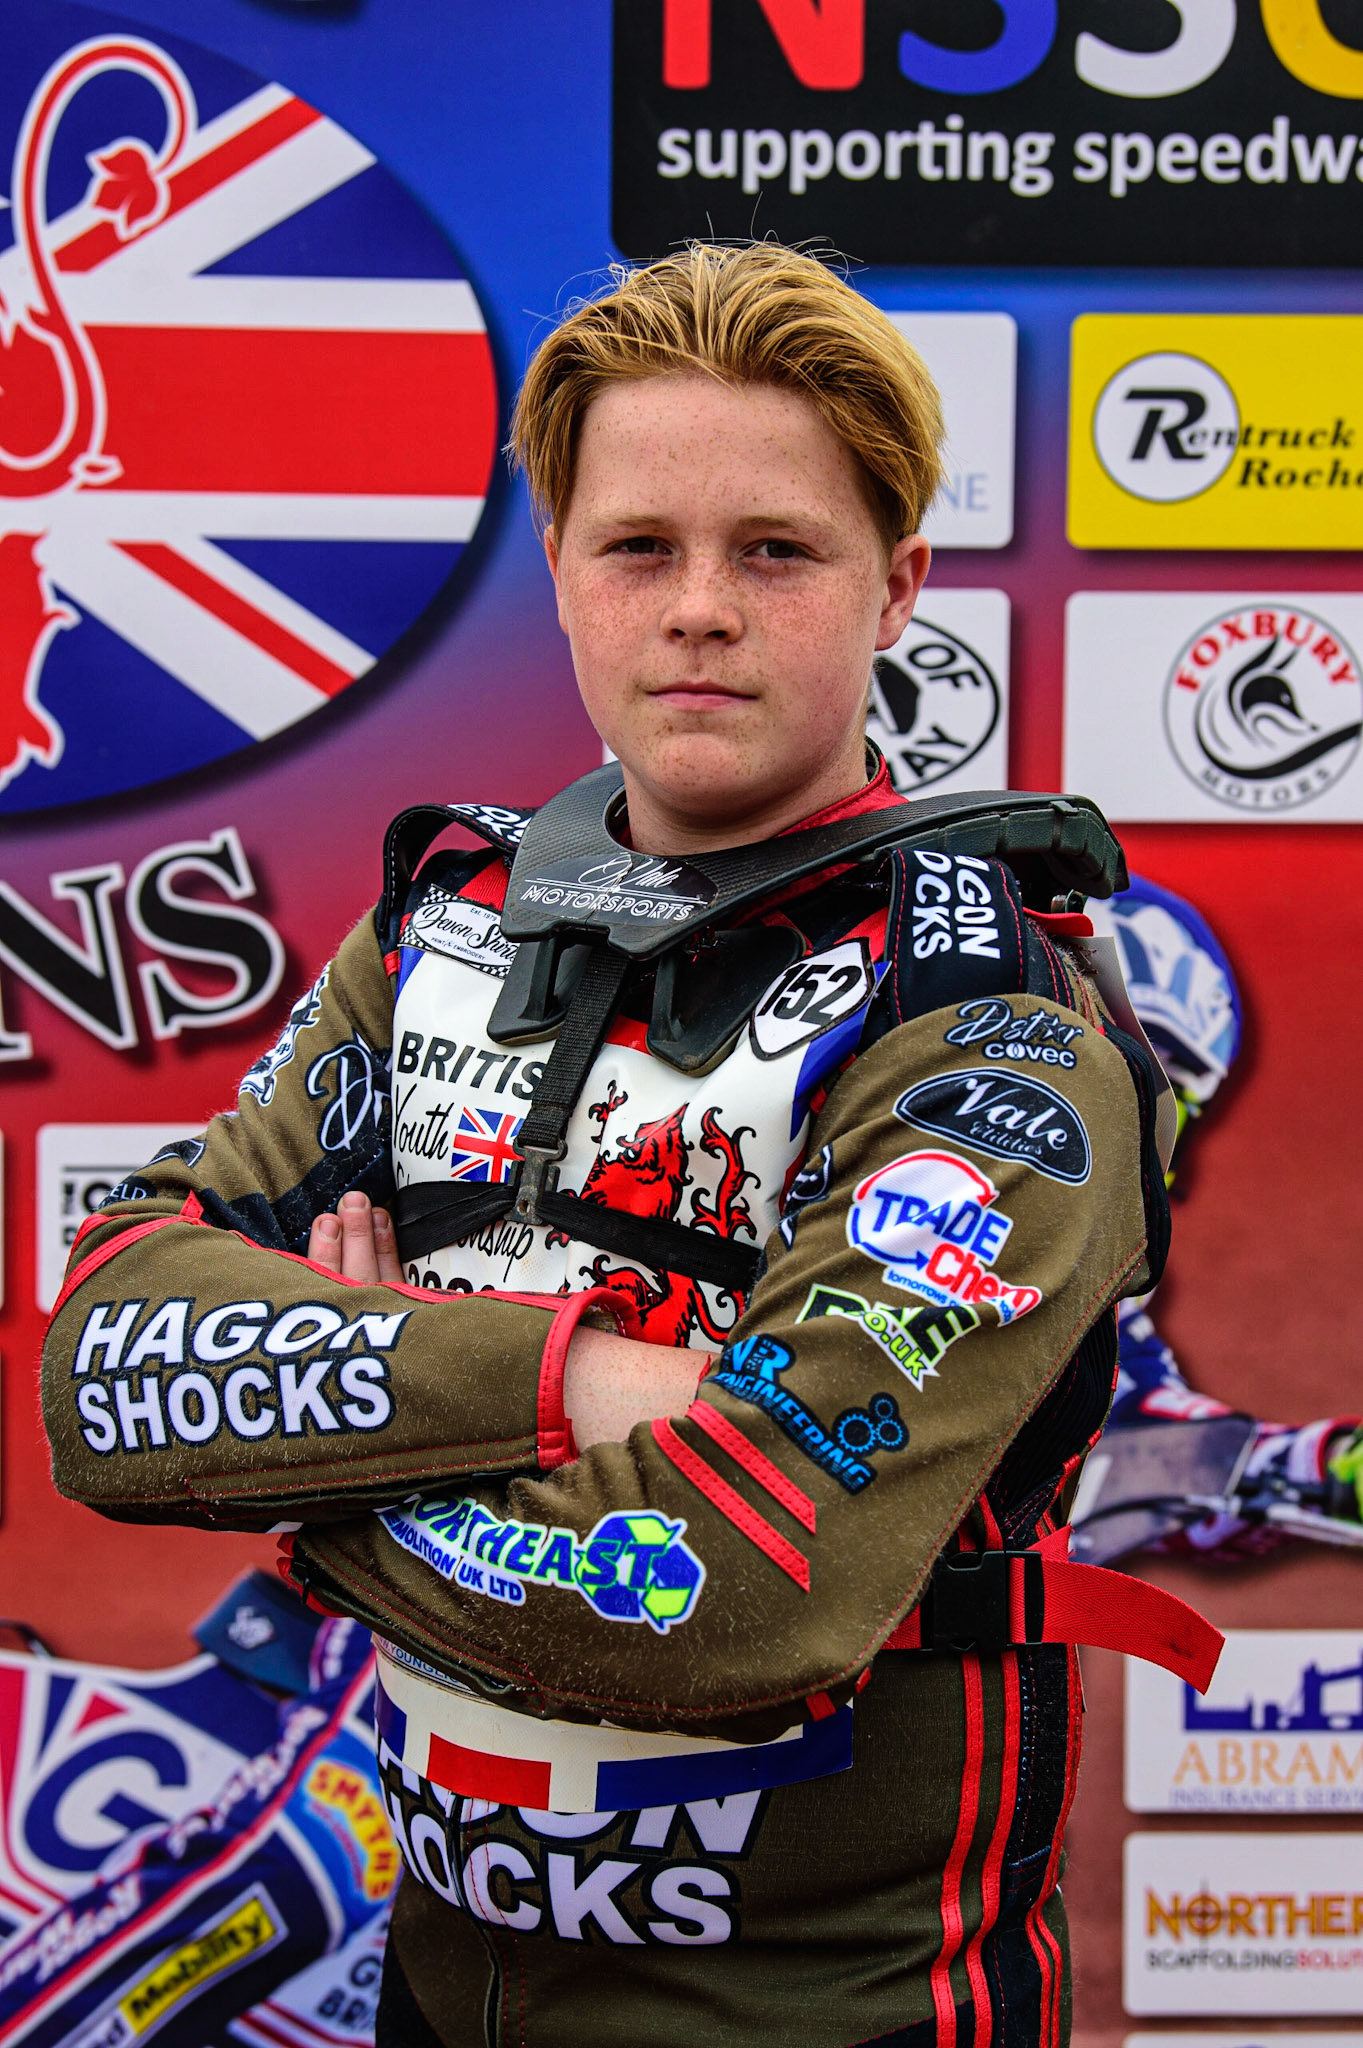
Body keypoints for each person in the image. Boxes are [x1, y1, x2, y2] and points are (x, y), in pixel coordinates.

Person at [43, 243, 1203, 2048]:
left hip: (825, 2012)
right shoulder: (445, 928)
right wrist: (595, 1385)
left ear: (896, 586)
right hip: (433, 1983)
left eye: (774, 550)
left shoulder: (991, 1026)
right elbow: (105, 1358)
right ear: (568, 579)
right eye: (637, 547)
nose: (697, 609)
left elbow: (734, 1584)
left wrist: (318, 1432)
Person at [1081, 877, 1362, 1558]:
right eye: (1103, 1065)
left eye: (1170, 1099)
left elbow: (1133, 1446)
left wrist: (1323, 1468)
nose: (1138, 1119)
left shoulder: (1094, 1286)